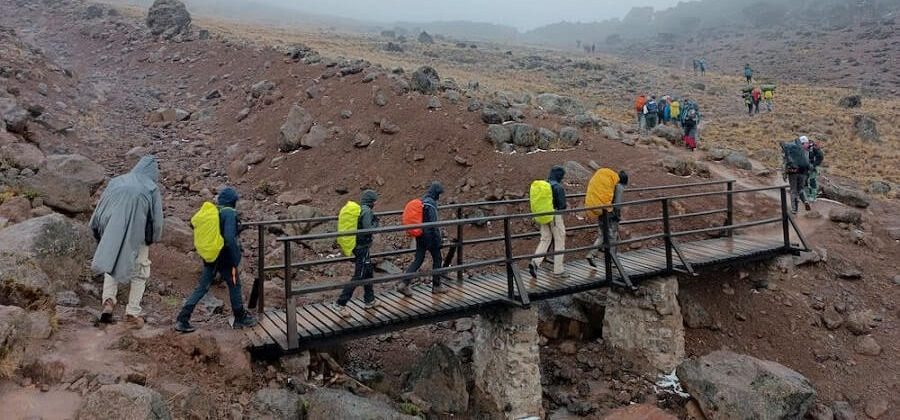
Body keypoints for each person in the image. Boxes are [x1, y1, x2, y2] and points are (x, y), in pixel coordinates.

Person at [90, 156, 163, 329]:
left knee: (111, 261)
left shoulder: (117, 181)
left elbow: (101, 205)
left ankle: (108, 301)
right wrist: (153, 238)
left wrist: (99, 227)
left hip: (111, 228)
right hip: (137, 235)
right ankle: (132, 312)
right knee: (140, 272)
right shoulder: (151, 188)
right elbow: (157, 221)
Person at [175, 187, 257, 333]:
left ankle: (183, 318)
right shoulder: (229, 212)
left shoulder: (214, 211)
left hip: (211, 256)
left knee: (202, 287)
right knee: (235, 285)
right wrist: (236, 257)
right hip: (226, 258)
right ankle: (240, 317)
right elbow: (229, 238)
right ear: (233, 201)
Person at [332, 190, 381, 316]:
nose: (376, 202)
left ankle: (369, 300)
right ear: (371, 201)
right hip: (362, 247)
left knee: (368, 271)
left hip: (358, 245)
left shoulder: (360, 209)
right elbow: (368, 229)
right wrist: (376, 223)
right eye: (375, 200)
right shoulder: (367, 211)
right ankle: (340, 303)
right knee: (359, 275)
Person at [398, 182, 447, 297]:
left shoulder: (423, 201)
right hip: (429, 236)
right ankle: (436, 286)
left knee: (418, 260)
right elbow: (433, 225)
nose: (439, 197)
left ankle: (404, 283)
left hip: (420, 235)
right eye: (439, 194)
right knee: (437, 258)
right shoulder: (431, 204)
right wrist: (438, 240)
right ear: (436, 194)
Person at [529, 166, 568, 279]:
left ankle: (535, 262)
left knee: (545, 238)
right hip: (554, 216)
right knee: (560, 239)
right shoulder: (558, 187)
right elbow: (562, 206)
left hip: (542, 214)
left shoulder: (544, 184)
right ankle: (558, 271)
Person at [586, 170, 628, 268]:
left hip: (602, 210)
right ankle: (612, 261)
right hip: (610, 215)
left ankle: (591, 254)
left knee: (602, 235)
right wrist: (617, 216)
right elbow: (617, 204)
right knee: (612, 236)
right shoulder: (619, 187)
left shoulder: (610, 185)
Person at [782, 138, 812, 214]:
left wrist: (784, 174)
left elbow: (786, 162)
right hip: (803, 172)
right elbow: (808, 163)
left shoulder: (792, 150)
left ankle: (794, 209)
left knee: (793, 190)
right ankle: (805, 201)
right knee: (801, 189)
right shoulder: (805, 151)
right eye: (807, 143)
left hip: (793, 172)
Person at [805, 138, 825, 202]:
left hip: (813, 167)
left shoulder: (813, 149)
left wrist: (814, 165)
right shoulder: (803, 148)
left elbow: (821, 156)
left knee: (812, 181)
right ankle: (806, 195)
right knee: (805, 180)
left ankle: (813, 196)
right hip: (806, 166)